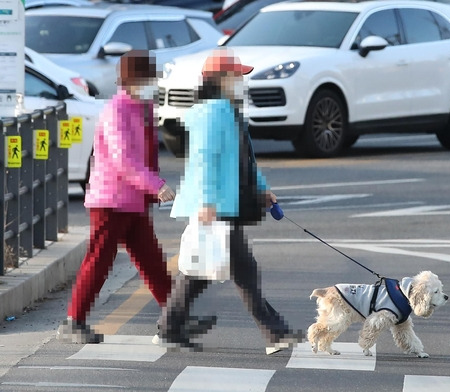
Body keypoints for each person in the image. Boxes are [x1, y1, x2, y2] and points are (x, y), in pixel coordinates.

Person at [158, 48, 302, 354]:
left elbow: (245, 159)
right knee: (243, 271)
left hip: (222, 204)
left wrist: (262, 189)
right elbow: (204, 160)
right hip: (214, 206)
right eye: (236, 76)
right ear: (219, 79)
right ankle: (274, 333)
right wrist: (208, 202)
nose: (241, 81)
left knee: (200, 274)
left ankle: (169, 327)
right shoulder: (211, 113)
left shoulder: (227, 110)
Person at [57, 50, 175, 344]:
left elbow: (146, 154)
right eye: (147, 79)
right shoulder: (117, 110)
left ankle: (177, 317)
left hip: (133, 201)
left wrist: (149, 189)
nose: (152, 84)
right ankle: (74, 321)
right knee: (99, 260)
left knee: (153, 262)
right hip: (110, 200)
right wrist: (156, 185)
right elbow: (125, 160)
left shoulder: (143, 106)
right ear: (132, 80)